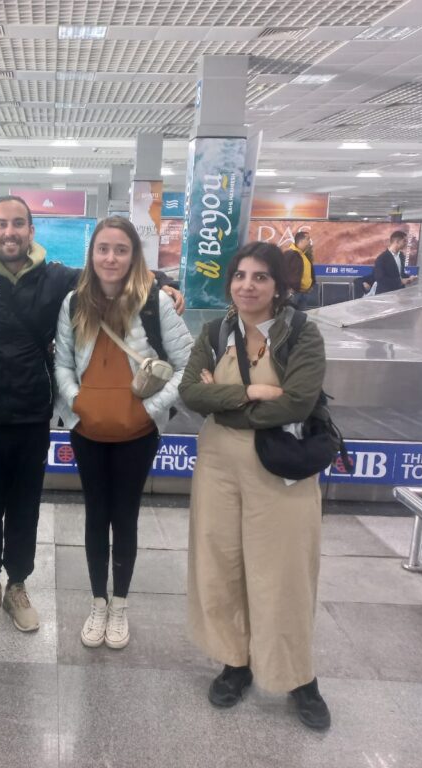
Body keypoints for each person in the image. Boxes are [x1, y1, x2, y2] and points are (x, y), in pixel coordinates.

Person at [0, 195, 183, 633]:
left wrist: (163, 283)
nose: (10, 232)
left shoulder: (57, 278)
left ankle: (18, 585)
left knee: (25, 507)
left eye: (19, 224)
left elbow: (110, 271)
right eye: (2, 224)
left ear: (31, 231)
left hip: (31, 415)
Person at [179, 241, 331, 731]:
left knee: (283, 573)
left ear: (278, 286)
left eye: (260, 277)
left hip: (279, 466)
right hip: (218, 467)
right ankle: (235, 662)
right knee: (221, 565)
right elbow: (190, 392)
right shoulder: (214, 332)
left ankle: (298, 676)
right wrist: (250, 391)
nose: (248, 285)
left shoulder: (301, 334)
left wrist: (225, 403)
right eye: (240, 276)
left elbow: (297, 402)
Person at [54, 217, 190, 650]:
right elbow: (62, 362)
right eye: (103, 249)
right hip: (88, 430)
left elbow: (186, 366)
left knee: (125, 517)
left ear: (134, 257)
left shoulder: (155, 303)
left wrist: (148, 409)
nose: (110, 258)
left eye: (120, 250)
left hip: (138, 433)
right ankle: (98, 602)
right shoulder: (74, 302)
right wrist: (77, 402)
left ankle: (120, 605)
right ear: (91, 255)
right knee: (96, 515)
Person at [370, 230, 416, 294]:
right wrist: (400, 281)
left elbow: (400, 274)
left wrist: (409, 277)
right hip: (385, 294)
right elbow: (380, 279)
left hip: (399, 293)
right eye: (404, 241)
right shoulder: (382, 258)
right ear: (397, 242)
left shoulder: (401, 256)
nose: (406, 243)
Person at [281, 231, 316, 309]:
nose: (309, 242)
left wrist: (311, 285)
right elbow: (282, 272)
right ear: (301, 240)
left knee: (301, 315)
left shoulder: (305, 255)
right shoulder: (290, 254)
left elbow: (309, 272)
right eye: (307, 239)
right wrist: (288, 289)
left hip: (304, 294)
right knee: (290, 314)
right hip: (293, 294)